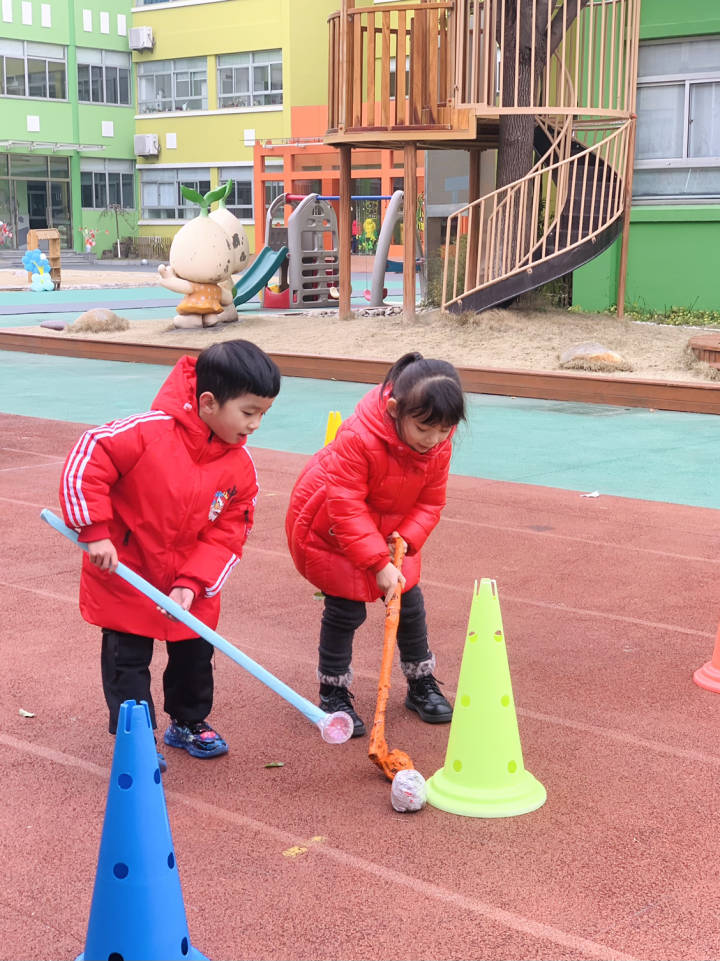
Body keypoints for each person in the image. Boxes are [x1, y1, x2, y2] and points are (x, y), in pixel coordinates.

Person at [59, 340, 281, 768]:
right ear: (209, 402)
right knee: (127, 663)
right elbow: (88, 457)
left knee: (195, 659)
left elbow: (229, 534)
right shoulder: (146, 433)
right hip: (127, 575)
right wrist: (95, 531)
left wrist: (192, 584)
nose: (255, 425)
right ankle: (137, 740)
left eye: (263, 415)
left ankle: (188, 721)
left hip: (188, 585)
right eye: (249, 412)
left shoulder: (240, 467)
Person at [285, 351, 466, 737]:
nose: (433, 440)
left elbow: (431, 501)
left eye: (444, 430)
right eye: (423, 428)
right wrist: (376, 562)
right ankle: (333, 692)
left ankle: (420, 682)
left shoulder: (438, 444)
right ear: (395, 409)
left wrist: (406, 540)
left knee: (410, 606)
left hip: (392, 533)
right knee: (345, 611)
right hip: (333, 531)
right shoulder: (357, 437)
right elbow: (345, 506)